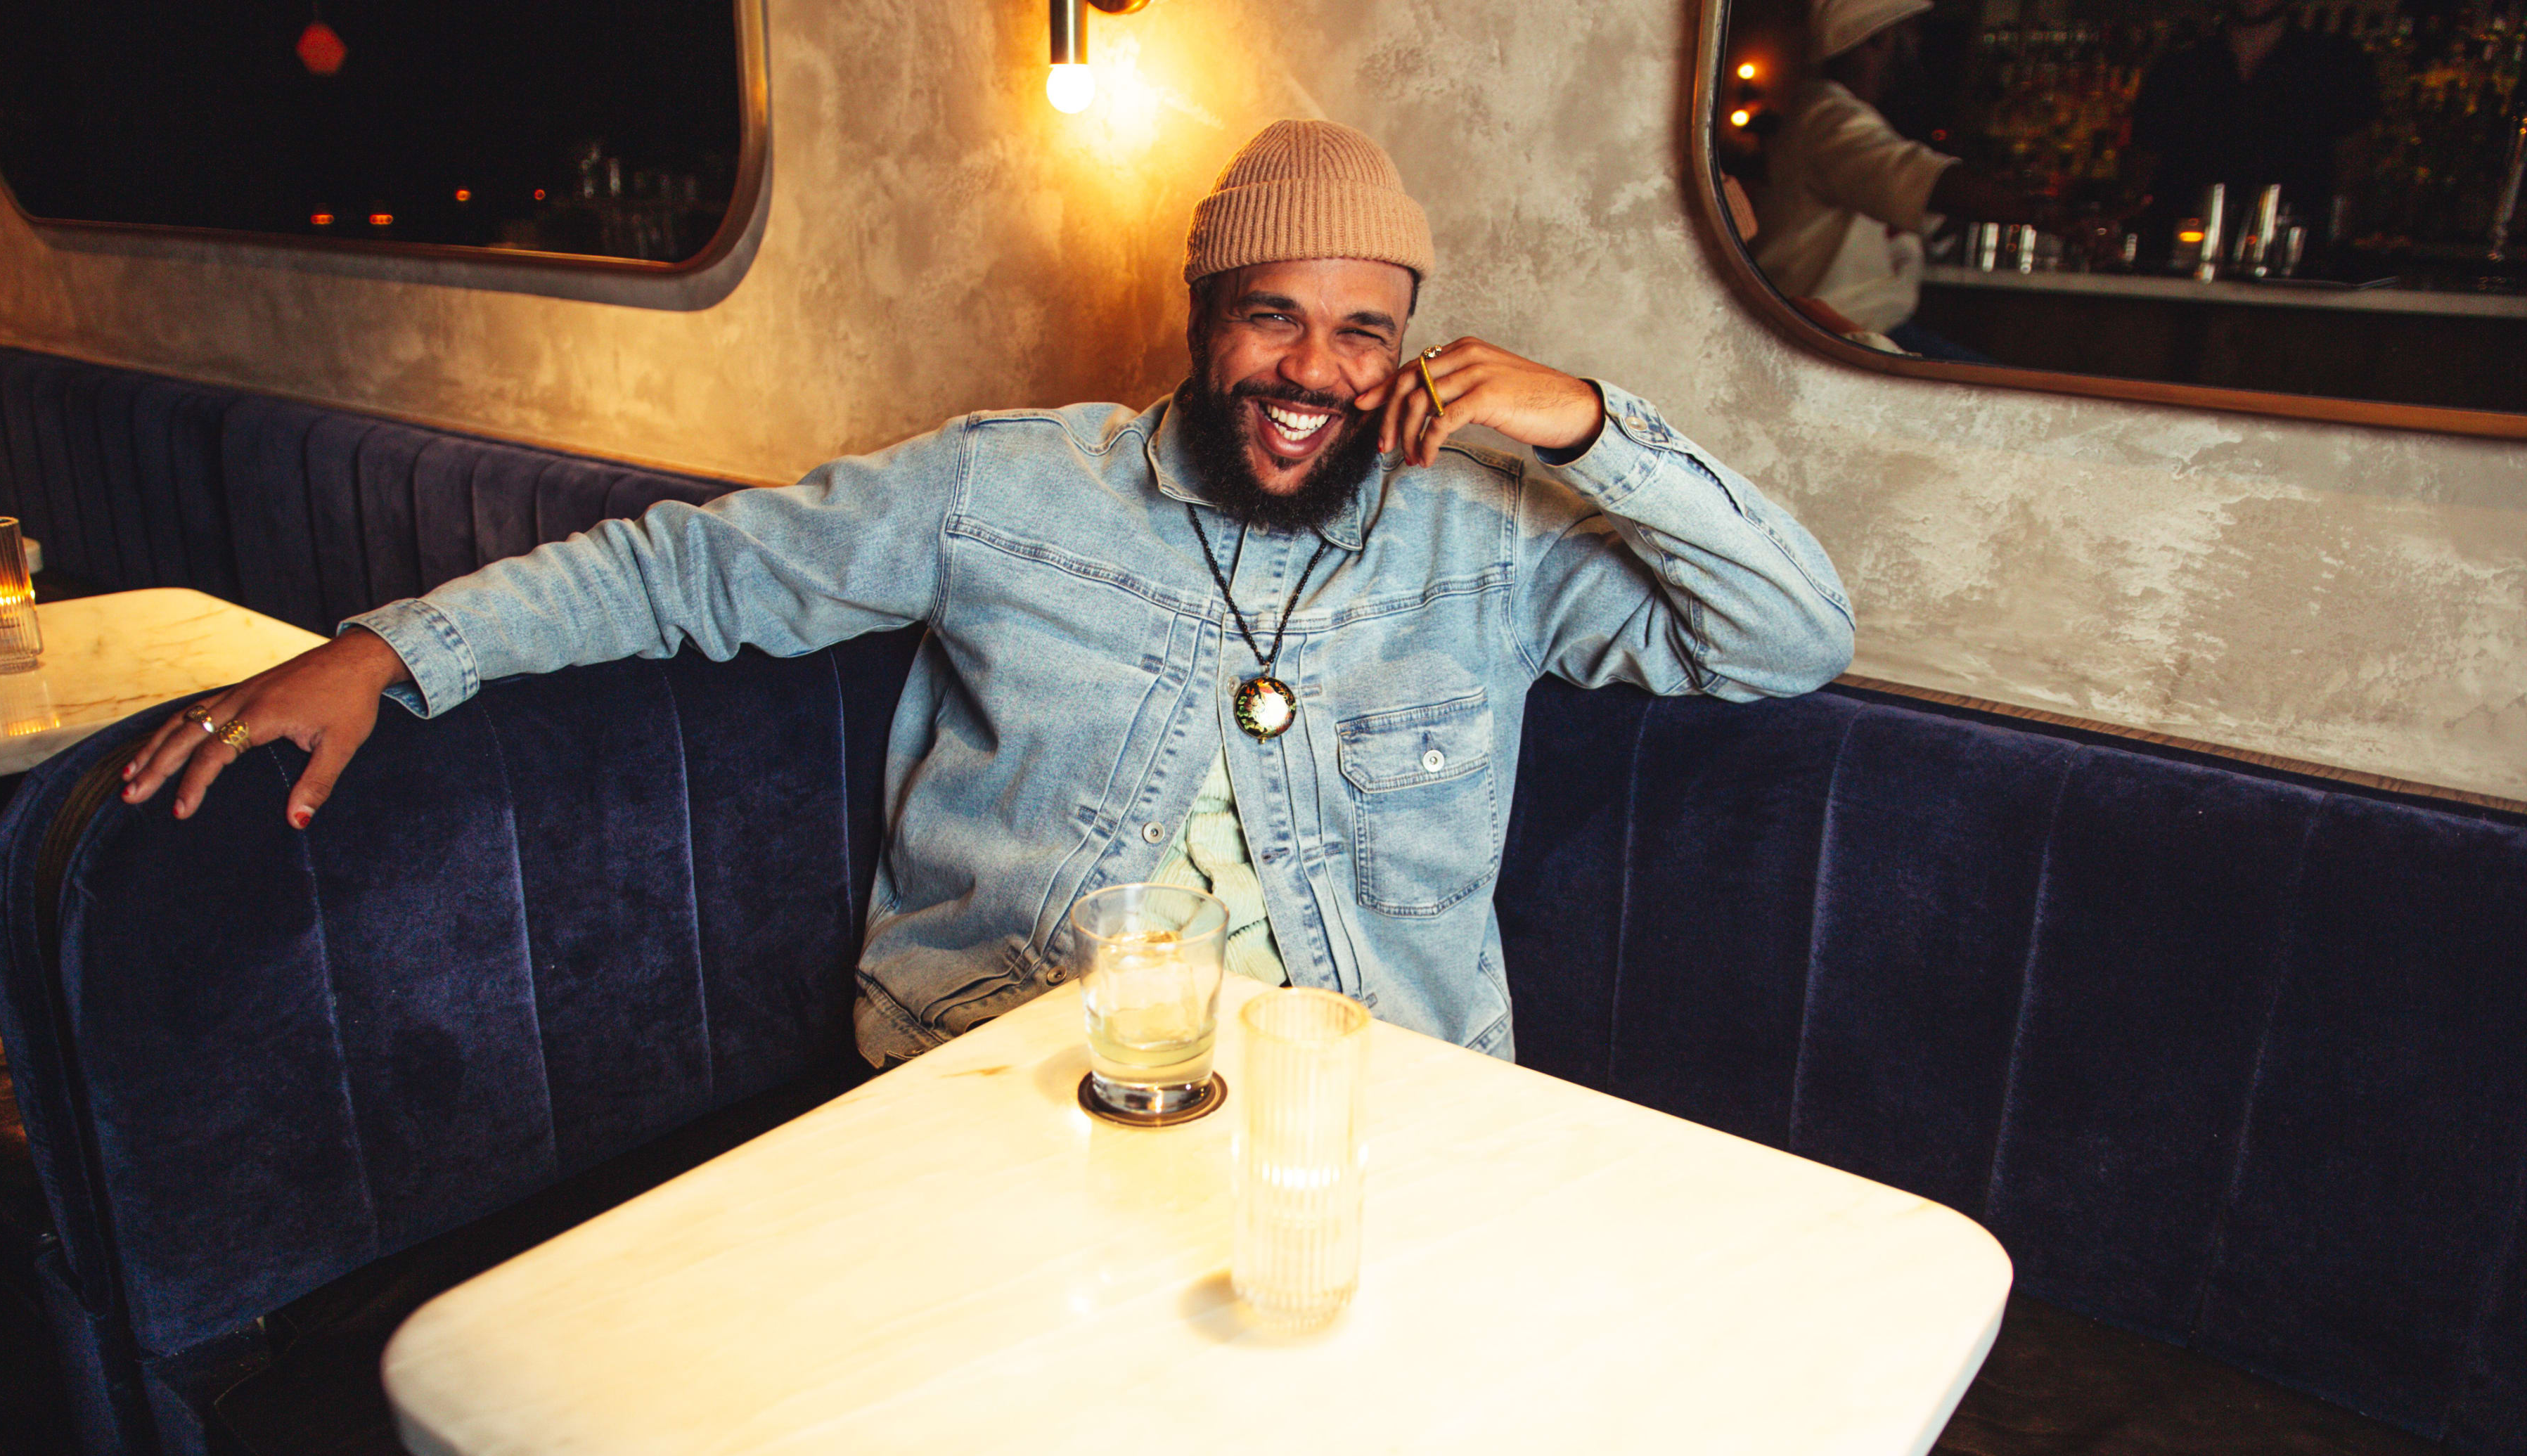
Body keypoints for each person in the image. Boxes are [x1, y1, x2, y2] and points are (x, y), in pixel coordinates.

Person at [123, 120, 1856, 1067]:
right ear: (1201, 309)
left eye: (1359, 329)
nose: (1307, 368)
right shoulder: (1001, 486)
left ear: (1402, 347)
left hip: (1368, 1099)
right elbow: (689, 571)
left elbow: (1789, 639)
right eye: (1268, 314)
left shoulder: (1483, 542)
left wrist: (1586, 424)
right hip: (1005, 1076)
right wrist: (389, 646)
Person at [1749, 0, 2051, 358]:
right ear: (1874, 42)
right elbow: (1927, 184)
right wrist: (2049, 210)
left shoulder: (1829, 113)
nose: (1915, 48)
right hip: (1830, 336)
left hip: (1859, 331)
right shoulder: (1829, 117)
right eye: (1905, 35)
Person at [2128, 0, 2379, 247]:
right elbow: (2140, 177)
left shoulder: (2337, 65)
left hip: (2299, 265)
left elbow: (2352, 176)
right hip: (2179, 261)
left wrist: (2336, 250)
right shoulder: (2177, 71)